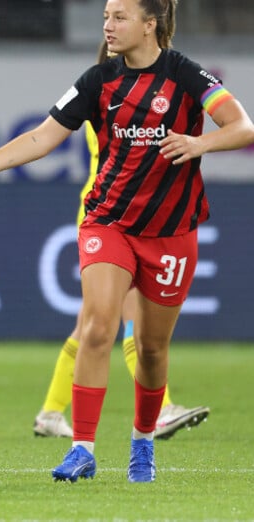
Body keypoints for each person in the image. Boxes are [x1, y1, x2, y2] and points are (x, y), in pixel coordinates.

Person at [0, 0, 254, 483]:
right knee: (99, 326)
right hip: (109, 222)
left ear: (150, 24)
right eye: (106, 15)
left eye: (120, 17)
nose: (108, 25)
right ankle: (82, 448)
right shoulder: (96, 80)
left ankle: (142, 444)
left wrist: (199, 142)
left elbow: (243, 127)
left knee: (151, 349)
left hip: (171, 232)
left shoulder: (186, 74)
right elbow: (42, 136)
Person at [34, 123, 210, 441]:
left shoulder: (109, 94)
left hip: (110, 211)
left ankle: (50, 412)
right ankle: (163, 410)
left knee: (89, 324)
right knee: (133, 320)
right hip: (114, 218)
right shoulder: (112, 98)